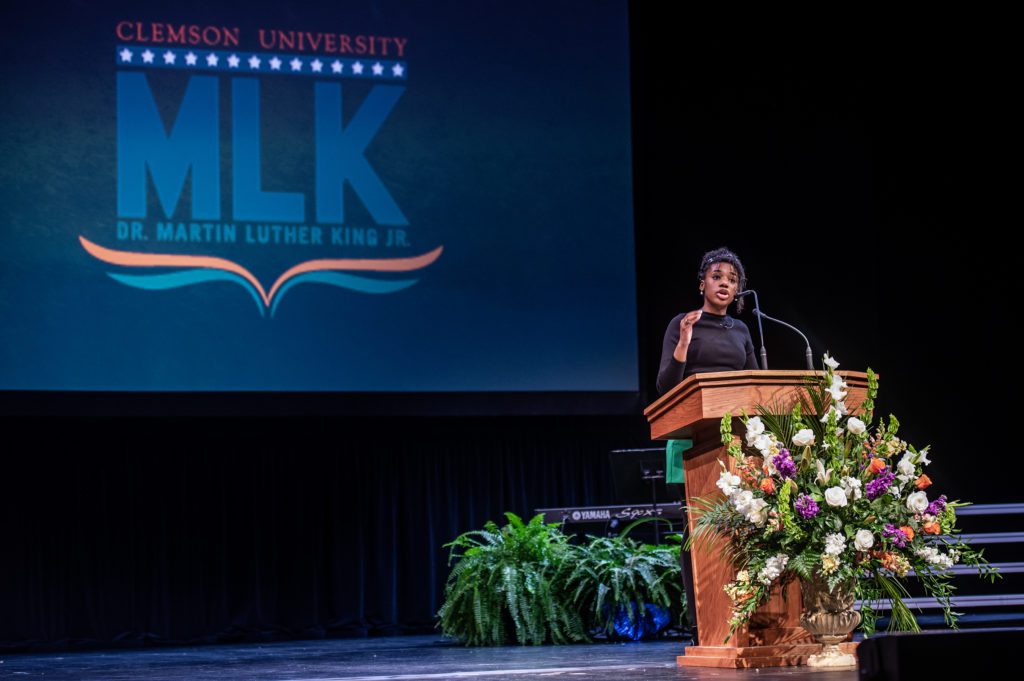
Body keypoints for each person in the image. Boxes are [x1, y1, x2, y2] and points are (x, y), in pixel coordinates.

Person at [656, 247, 759, 644]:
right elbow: (667, 386)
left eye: (732, 280)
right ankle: (704, 625)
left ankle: (744, 617)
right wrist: (683, 340)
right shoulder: (681, 324)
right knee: (697, 533)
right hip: (692, 438)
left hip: (736, 443)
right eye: (717, 276)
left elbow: (756, 384)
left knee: (743, 530)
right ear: (702, 283)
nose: (724, 284)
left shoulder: (743, 331)